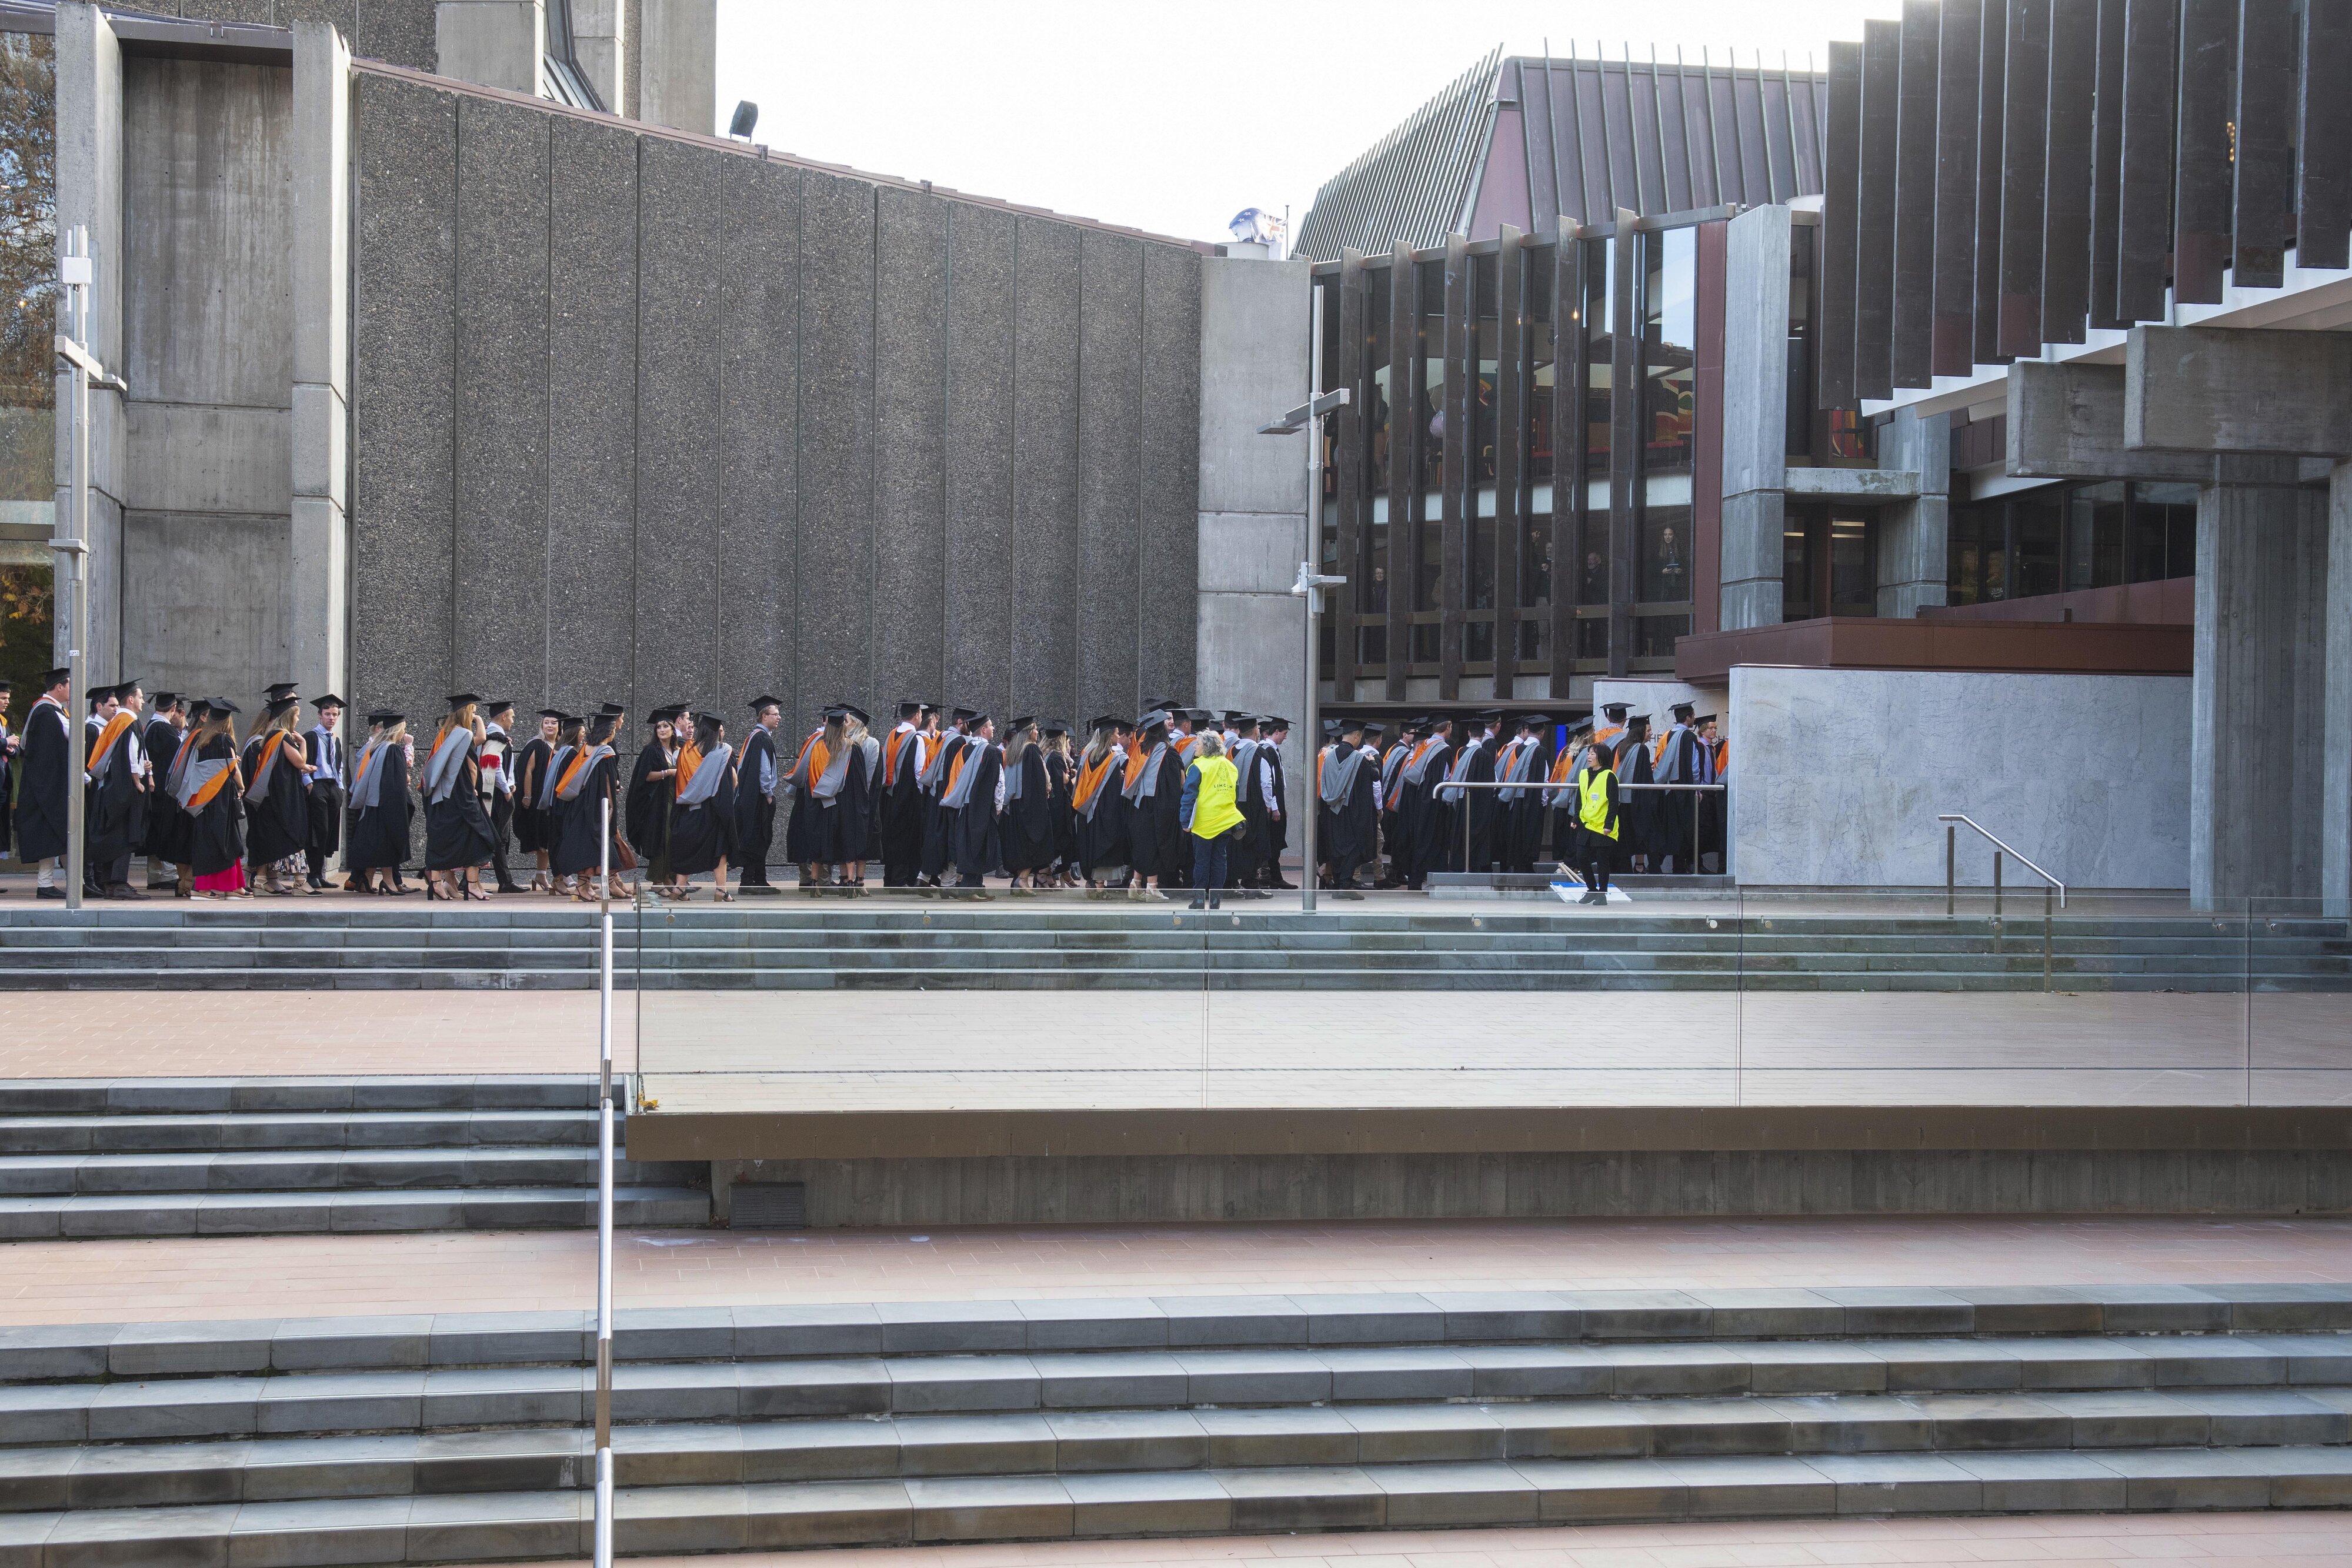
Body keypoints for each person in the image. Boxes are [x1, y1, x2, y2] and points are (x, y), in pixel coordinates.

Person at [421, 696, 498, 902]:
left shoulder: (446, 734)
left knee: (442, 839)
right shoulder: (464, 734)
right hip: (460, 795)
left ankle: (437, 884)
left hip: (442, 795)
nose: (474, 715)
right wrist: (472, 790)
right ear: (466, 714)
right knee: (480, 836)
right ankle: (471, 885)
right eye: (472, 712)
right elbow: (473, 766)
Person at [172, 700, 249, 900]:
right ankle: (225, 887)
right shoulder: (224, 739)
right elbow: (232, 769)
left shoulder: (203, 740)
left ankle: (213, 886)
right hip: (222, 799)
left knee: (210, 842)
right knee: (227, 840)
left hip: (205, 799)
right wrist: (241, 786)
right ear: (227, 721)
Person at [552, 707, 630, 902]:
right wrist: (611, 806)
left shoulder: (586, 748)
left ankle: (584, 885)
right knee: (596, 843)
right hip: (598, 805)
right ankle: (586, 885)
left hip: (580, 802)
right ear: (609, 731)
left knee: (584, 845)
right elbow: (608, 782)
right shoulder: (607, 752)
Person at [242, 694, 316, 895]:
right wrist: (303, 744)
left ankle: (262, 879)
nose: (299, 720)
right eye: (297, 716)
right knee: (294, 835)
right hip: (285, 798)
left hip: (275, 795)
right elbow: (300, 762)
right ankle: (300, 882)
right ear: (289, 716)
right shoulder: (282, 737)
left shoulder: (271, 738)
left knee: (274, 839)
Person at [85, 680, 152, 900]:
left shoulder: (115, 722)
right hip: (125, 790)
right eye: (140, 698)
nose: (143, 702)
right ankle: (120, 884)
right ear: (131, 699)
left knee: (113, 836)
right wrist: (139, 781)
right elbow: (132, 757)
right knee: (124, 837)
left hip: (110, 788)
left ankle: (111, 884)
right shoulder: (128, 722)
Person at [668, 711, 738, 900]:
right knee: (720, 851)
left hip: (688, 809)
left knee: (687, 849)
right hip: (711, 813)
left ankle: (679, 889)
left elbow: (680, 781)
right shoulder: (721, 752)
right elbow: (727, 785)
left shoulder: (686, 751)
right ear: (716, 732)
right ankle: (721, 890)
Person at [16, 669, 71, 899]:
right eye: (70, 685)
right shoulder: (45, 712)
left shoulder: (52, 711)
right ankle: (46, 884)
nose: (72, 690)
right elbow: (47, 754)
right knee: (51, 836)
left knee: (62, 834)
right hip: (45, 787)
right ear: (59, 687)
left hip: (48, 785)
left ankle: (77, 882)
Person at [348, 712, 415, 895]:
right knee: (388, 844)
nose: (404, 732)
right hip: (388, 805)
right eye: (403, 729)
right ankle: (387, 881)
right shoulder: (393, 750)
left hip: (375, 804)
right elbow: (395, 783)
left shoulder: (378, 747)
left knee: (380, 845)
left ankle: (368, 880)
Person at [1178, 730, 1243, 912]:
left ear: (1206, 747)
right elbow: (1235, 793)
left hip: (1204, 822)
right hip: (1225, 820)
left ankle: (1199, 899)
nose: (1195, 746)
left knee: (1202, 861)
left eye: (1198, 743)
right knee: (1219, 861)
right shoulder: (1230, 765)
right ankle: (1216, 900)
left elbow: (1189, 796)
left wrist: (1185, 821)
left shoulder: (1198, 766)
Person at [940, 710, 1003, 895]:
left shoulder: (963, 750)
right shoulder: (992, 752)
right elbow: (999, 783)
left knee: (968, 844)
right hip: (984, 807)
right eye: (991, 726)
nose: (993, 728)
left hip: (965, 806)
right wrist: (998, 807)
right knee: (981, 846)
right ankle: (971, 888)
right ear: (983, 730)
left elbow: (956, 777)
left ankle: (976, 886)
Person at [1120, 710, 1180, 901]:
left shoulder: (1141, 749)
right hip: (1157, 804)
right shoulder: (1167, 752)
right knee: (1154, 843)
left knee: (1142, 844)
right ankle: (1152, 887)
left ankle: (1136, 883)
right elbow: (1179, 782)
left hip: (1138, 803)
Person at [626, 708, 684, 896]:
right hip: (658, 803)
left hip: (675, 800)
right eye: (659, 727)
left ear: (673, 730)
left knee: (673, 840)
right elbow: (644, 776)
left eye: (666, 726)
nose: (661, 730)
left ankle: (668, 876)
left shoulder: (678, 750)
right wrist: (667, 773)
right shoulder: (652, 751)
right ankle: (657, 881)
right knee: (662, 838)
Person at [1316, 718, 1376, 898]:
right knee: (1353, 848)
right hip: (1352, 814)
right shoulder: (1360, 759)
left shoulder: (1328, 756)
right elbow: (1374, 777)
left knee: (1336, 848)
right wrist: (1372, 762)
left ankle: (1337, 882)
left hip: (1332, 811)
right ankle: (1345, 885)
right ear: (1357, 736)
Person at [878, 700, 933, 887]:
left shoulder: (891, 735)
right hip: (908, 797)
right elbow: (919, 772)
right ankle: (903, 879)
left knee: (892, 836)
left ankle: (890, 878)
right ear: (918, 715)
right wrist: (922, 797)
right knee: (906, 838)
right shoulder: (916, 739)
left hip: (889, 794)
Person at [1650, 700, 1708, 875]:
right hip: (1685, 789)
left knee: (1672, 827)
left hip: (1670, 789)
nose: (1695, 718)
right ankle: (1678, 866)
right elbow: (1695, 766)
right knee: (1686, 829)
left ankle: (1670, 865)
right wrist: (1697, 789)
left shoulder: (1668, 735)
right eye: (1694, 716)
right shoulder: (1689, 737)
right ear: (1688, 718)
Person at [997, 716, 1055, 893]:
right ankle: (1022, 880)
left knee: (1020, 846)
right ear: (1030, 732)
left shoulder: (1014, 750)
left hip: (1014, 806)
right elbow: (1039, 782)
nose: (1038, 733)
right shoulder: (1031, 750)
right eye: (1036, 729)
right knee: (1034, 843)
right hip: (1029, 807)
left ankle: (1018, 881)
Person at [1073, 715, 1129, 891]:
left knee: (1091, 844)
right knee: (1105, 844)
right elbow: (1112, 791)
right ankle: (1100, 885)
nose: (1118, 737)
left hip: (1088, 811)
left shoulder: (1088, 755)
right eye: (1116, 733)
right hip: (1106, 812)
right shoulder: (1112, 758)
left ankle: (1093, 882)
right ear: (1109, 735)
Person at [734, 697, 783, 893]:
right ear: (764, 716)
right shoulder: (762, 739)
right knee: (758, 837)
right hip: (758, 799)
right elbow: (765, 771)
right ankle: (750, 881)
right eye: (775, 714)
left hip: (748, 798)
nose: (779, 717)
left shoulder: (752, 737)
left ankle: (756, 879)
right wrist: (769, 794)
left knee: (755, 837)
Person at [511, 709, 561, 892]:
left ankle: (541, 874)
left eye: (553, 723)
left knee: (549, 840)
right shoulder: (537, 745)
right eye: (547, 722)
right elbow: (527, 771)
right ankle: (544, 874)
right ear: (542, 725)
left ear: (560, 726)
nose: (549, 725)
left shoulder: (561, 747)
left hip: (556, 798)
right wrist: (527, 796)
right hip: (539, 798)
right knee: (544, 839)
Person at [138, 693, 184, 889]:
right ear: (174, 709)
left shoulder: (149, 727)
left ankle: (154, 876)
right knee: (165, 830)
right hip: (164, 791)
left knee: (154, 832)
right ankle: (167, 875)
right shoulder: (166, 730)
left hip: (152, 788)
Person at [534, 715, 584, 895]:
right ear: (575, 734)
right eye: (582, 732)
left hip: (556, 803)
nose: (583, 736)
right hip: (564, 803)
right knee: (560, 842)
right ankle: (559, 879)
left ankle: (561, 879)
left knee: (557, 841)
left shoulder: (560, 750)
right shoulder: (570, 753)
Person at [1496, 716, 1552, 875]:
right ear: (1542, 733)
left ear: (1528, 731)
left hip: (1515, 798)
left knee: (1516, 833)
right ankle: (1527, 865)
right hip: (1532, 799)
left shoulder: (1515, 749)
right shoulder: (1540, 751)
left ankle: (1517, 864)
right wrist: (1543, 801)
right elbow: (1544, 779)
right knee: (1529, 833)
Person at [302, 696, 347, 892]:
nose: (331, 718)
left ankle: (320, 874)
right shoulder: (310, 737)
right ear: (320, 715)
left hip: (332, 788)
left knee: (328, 833)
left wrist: (340, 787)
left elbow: (339, 765)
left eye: (335, 715)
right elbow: (303, 764)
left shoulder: (335, 739)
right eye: (328, 714)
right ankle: (313, 875)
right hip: (317, 786)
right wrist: (309, 784)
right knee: (317, 832)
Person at [1571, 737, 1621, 904]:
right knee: (1581, 856)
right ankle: (1592, 889)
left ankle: (1602, 894)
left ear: (1602, 757)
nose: (1589, 757)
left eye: (1593, 754)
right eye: (1589, 753)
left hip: (1602, 826)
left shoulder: (1609, 776)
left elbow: (1614, 803)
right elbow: (1580, 798)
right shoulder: (1584, 774)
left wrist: (1609, 824)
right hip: (1586, 822)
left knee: (1602, 860)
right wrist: (1576, 817)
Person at [480, 700, 521, 893]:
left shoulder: (492, 735)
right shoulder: (495, 737)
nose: (513, 720)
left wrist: (511, 784)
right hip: (496, 796)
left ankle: (469, 879)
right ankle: (505, 881)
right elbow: (494, 767)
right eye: (511, 716)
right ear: (503, 716)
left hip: (500, 792)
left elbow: (505, 764)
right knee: (499, 837)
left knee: (496, 836)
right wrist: (506, 791)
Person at [1612, 712, 1659, 873]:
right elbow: (1643, 777)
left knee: (1626, 837)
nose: (1651, 733)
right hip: (1637, 800)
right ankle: (1647, 867)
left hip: (1624, 800)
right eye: (1648, 730)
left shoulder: (1625, 747)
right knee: (1645, 834)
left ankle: (1631, 867)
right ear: (1639, 731)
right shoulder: (1641, 749)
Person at [1040, 719, 1077, 888]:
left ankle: (1051, 875)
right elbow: (1060, 781)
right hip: (1058, 806)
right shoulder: (1056, 756)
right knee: (1061, 839)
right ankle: (1046, 874)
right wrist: (1072, 778)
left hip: (1052, 804)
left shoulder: (1046, 754)